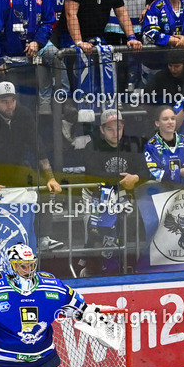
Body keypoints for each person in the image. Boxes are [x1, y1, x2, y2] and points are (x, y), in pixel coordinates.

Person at [80, 109, 150, 276]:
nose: (115, 133)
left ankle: (117, 268)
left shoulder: (133, 145)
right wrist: (122, 179)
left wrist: (136, 177)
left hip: (122, 196)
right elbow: (92, 174)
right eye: (109, 129)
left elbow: (146, 171)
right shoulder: (92, 146)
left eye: (118, 128)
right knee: (95, 234)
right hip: (95, 196)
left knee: (122, 232)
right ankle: (91, 269)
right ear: (102, 130)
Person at [0, 81, 62, 202]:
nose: (10, 106)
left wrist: (51, 178)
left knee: (45, 189)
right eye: (5, 102)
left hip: (17, 167)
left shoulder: (24, 114)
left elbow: (38, 148)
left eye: (13, 101)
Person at [144, 105, 184, 182]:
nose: (170, 122)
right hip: (162, 188)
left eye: (173, 118)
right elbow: (153, 173)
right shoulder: (151, 146)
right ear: (157, 123)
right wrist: (178, 173)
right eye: (165, 119)